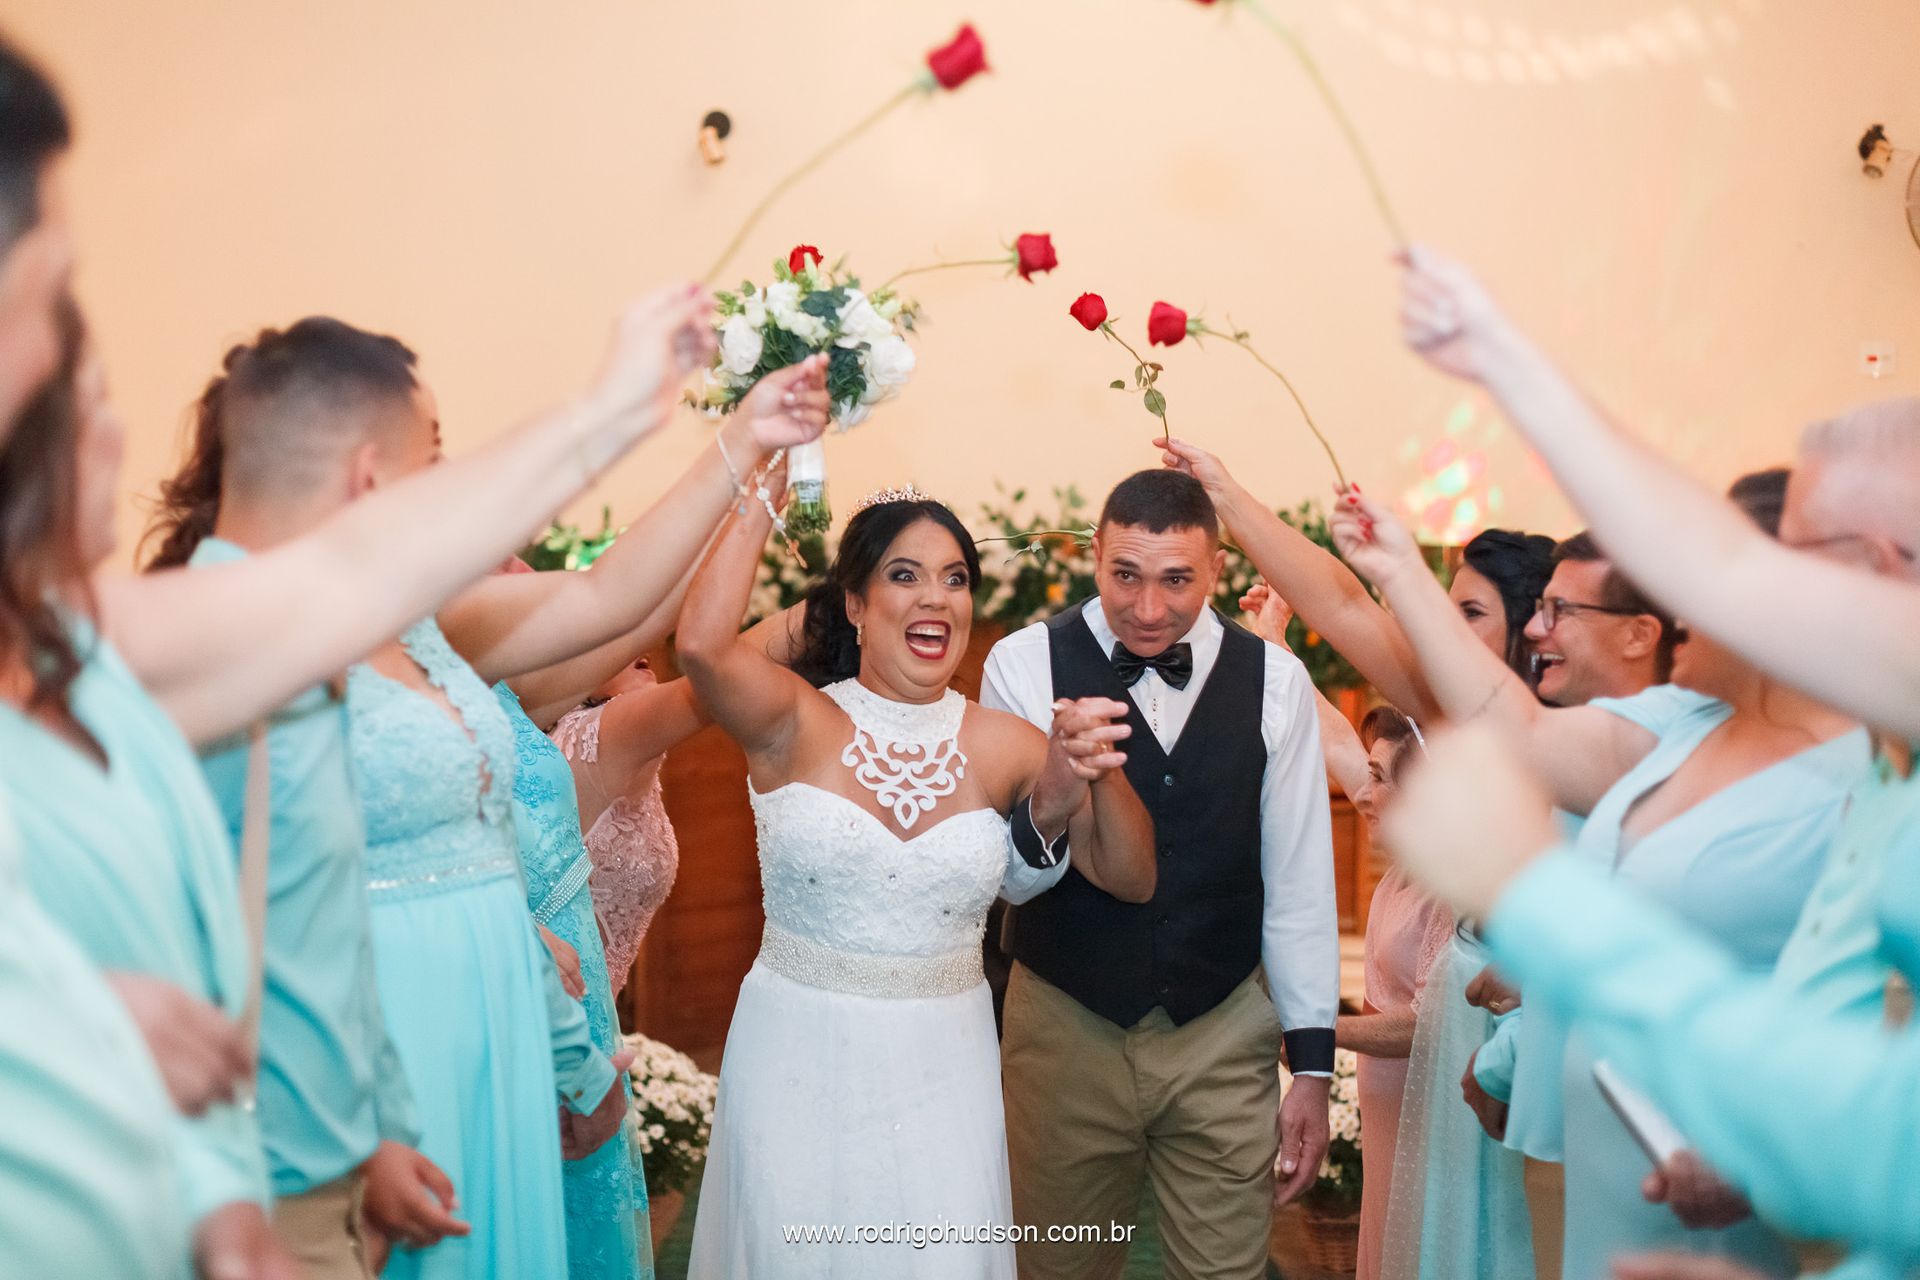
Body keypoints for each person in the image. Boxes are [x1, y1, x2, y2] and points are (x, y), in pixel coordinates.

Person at [140, 309, 826, 1280]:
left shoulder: (409, 619)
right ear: (371, 473)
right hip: (370, 1064)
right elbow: (230, 929)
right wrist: (355, 1131)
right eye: (436, 455)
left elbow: (607, 599)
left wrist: (743, 443)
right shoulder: (233, 639)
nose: (449, 481)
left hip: (495, 1023)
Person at [1332, 472, 1866, 1276]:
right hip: (1598, 1138)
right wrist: (1402, 571)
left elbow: (1847, 991)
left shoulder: (1863, 767)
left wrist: (1765, 1136)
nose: (1682, 610)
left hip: (1725, 1161)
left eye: (1701, 579)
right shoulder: (1676, 722)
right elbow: (1513, 730)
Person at [1158, 435, 1664, 1278]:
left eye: (1466, 613)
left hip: (1559, 1045)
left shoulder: (1591, 740)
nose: (1433, 627)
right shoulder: (1466, 718)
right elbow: (1349, 607)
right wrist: (1227, 495)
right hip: (1461, 1033)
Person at [676, 481, 1155, 1278]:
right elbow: (699, 645)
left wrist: (1089, 769)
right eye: (904, 575)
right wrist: (761, 480)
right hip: (796, 1056)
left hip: (946, 1068)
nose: (936, 596)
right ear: (854, 605)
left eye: (955, 577)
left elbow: (1133, 879)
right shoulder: (792, 718)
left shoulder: (1007, 743)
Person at [981, 469, 1336, 1280]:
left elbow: (1300, 880)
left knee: (1225, 1271)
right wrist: (1057, 792)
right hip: (1064, 1027)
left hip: (1220, 1030)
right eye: (1125, 576)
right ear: (1095, 554)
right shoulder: (1024, 664)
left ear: (1217, 569)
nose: (1148, 609)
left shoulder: (1277, 682)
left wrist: (1311, 1069)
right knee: (1056, 1269)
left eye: (1177, 580)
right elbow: (1009, 878)